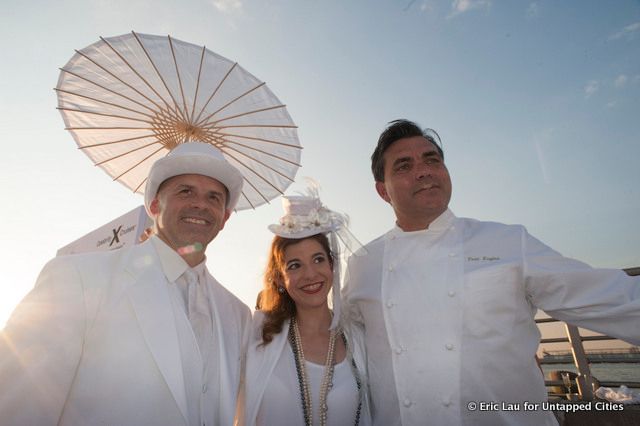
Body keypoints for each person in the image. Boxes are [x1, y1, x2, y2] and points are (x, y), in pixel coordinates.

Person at [342, 119, 640, 426]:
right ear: (383, 191)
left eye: (432, 159)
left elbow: (609, 296)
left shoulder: (508, 241)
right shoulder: (363, 263)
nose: (423, 170)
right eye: (404, 166)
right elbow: (340, 350)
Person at [0, 142, 251, 426]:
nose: (200, 204)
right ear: (154, 204)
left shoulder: (238, 314)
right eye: (185, 191)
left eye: (214, 197)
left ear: (225, 218)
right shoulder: (77, 279)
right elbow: (17, 409)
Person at [238, 188, 371, 425]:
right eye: (295, 265)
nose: (310, 274)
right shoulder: (256, 333)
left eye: (318, 260)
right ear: (279, 278)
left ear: (332, 266)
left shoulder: (358, 338)